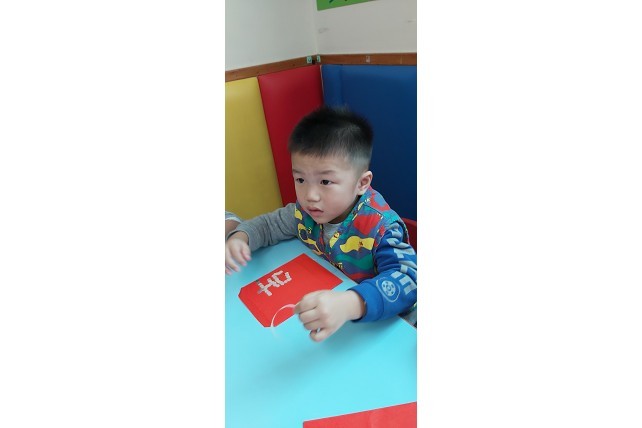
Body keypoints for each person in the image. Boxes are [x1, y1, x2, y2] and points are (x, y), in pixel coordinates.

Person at [225, 106, 417, 342]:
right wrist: (240, 237)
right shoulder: (304, 212)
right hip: (335, 318)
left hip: (394, 326)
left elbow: (409, 281)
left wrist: (350, 303)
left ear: (361, 183)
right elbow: (267, 226)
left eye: (325, 181)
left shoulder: (380, 228)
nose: (310, 195)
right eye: (300, 179)